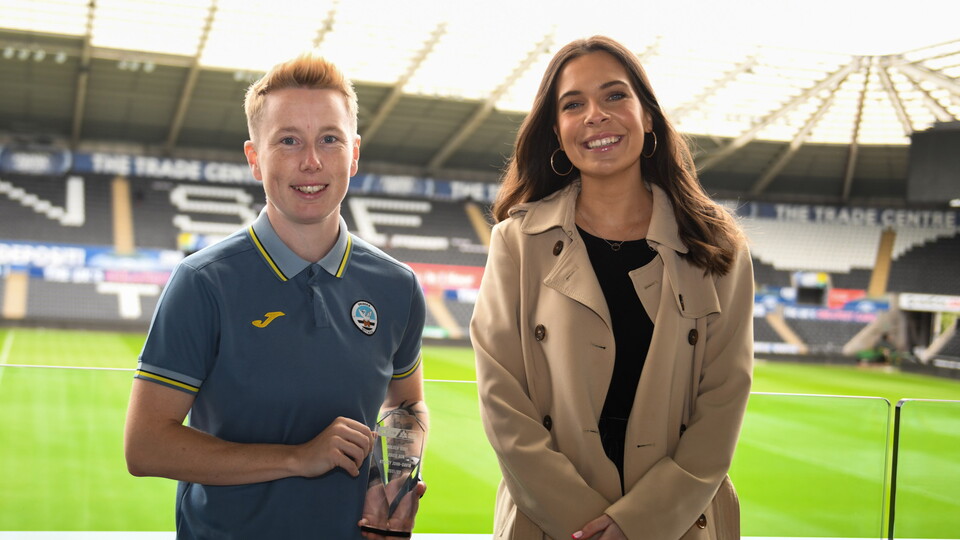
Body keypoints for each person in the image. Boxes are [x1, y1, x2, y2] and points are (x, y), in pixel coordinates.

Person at [124, 52, 428, 539]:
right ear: (254, 159)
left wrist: (395, 482)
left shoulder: (397, 286)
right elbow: (144, 447)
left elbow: (406, 404)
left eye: (330, 139)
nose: (311, 161)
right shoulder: (203, 282)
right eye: (288, 141)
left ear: (354, 153)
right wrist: (297, 457)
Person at [470, 35, 754, 540]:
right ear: (557, 132)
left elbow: (723, 403)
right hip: (549, 527)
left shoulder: (718, 249)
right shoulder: (516, 243)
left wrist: (639, 525)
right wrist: (587, 528)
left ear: (648, 117)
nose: (595, 115)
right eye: (573, 104)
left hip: (679, 526)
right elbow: (503, 404)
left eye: (615, 95)